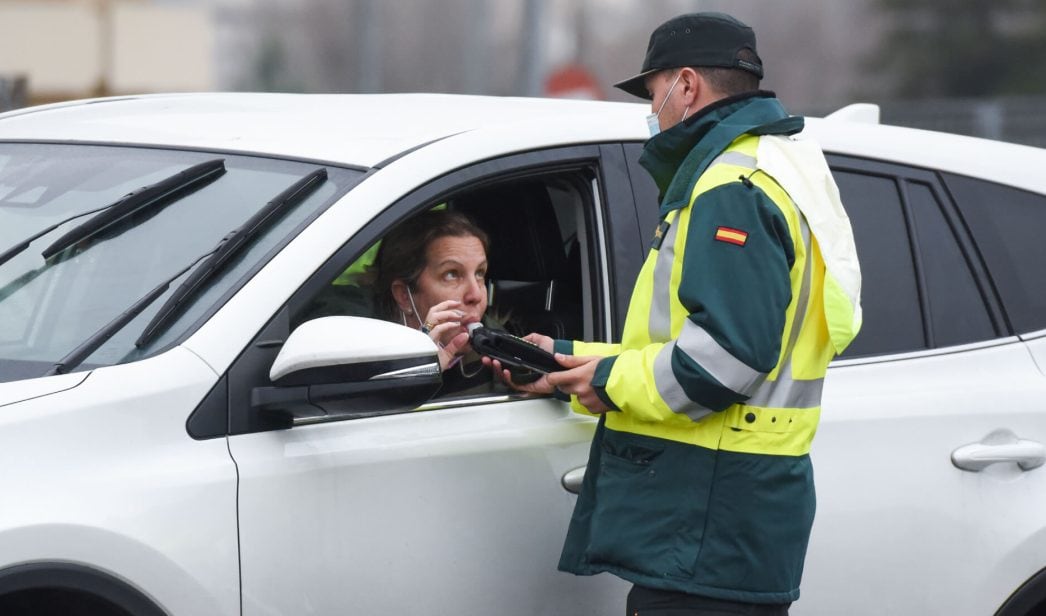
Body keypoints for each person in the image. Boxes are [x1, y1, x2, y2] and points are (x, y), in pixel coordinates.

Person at [493, 12, 862, 616]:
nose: (652, 112)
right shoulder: (775, 165)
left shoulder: (731, 188)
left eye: (653, 93)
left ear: (686, 85)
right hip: (729, 519)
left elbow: (723, 362)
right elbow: (692, 343)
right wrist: (570, 362)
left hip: (708, 522)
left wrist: (607, 381)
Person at [374, 209, 497, 395]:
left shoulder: (499, 359)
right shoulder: (361, 358)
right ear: (404, 296)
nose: (476, 295)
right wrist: (418, 368)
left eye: (480, 273)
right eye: (451, 274)